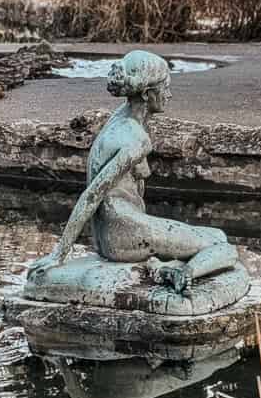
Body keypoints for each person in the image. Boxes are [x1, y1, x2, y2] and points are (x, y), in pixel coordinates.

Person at [29, 50, 238, 296]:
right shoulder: (135, 139)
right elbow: (92, 194)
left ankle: (164, 267)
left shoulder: (121, 118)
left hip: (113, 231)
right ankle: (184, 273)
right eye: (165, 88)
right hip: (123, 233)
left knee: (217, 234)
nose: (169, 95)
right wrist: (59, 253)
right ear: (148, 94)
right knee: (224, 248)